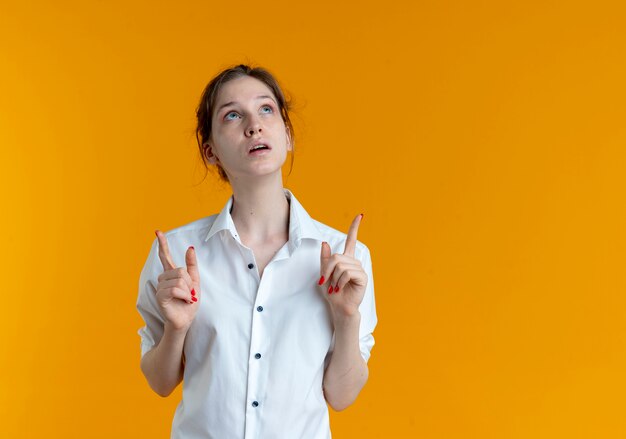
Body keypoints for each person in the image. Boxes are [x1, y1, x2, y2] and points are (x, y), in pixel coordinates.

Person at [136, 64, 377, 439]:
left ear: (288, 134)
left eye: (266, 109)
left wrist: (347, 318)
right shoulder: (177, 254)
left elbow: (342, 396)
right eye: (232, 115)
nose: (254, 125)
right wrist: (176, 328)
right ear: (210, 150)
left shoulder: (347, 259)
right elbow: (160, 382)